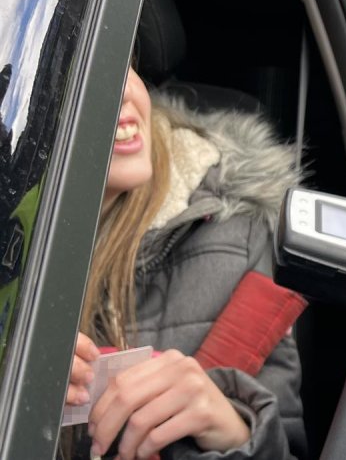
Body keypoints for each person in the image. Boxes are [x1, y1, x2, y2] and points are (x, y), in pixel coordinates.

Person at [63, 67, 307, 460]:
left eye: (120, 59)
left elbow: (288, 449)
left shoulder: (235, 236)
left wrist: (230, 431)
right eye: (72, 69)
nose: (121, 90)